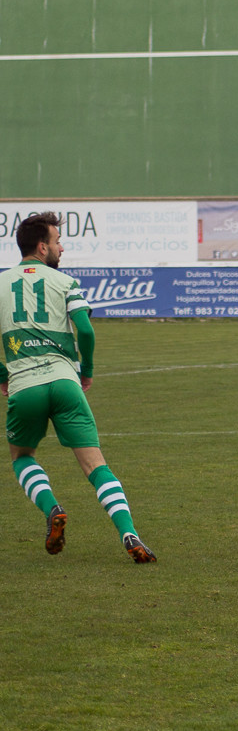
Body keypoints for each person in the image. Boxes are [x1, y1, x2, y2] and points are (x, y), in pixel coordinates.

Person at [0, 212, 156, 563]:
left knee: (22, 457)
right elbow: (85, 330)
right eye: (57, 241)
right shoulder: (64, 282)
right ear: (42, 248)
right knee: (95, 465)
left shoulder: (1, 283)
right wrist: (86, 369)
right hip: (65, 382)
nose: (61, 248)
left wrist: (2, 375)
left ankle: (52, 507)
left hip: (25, 386)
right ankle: (129, 532)